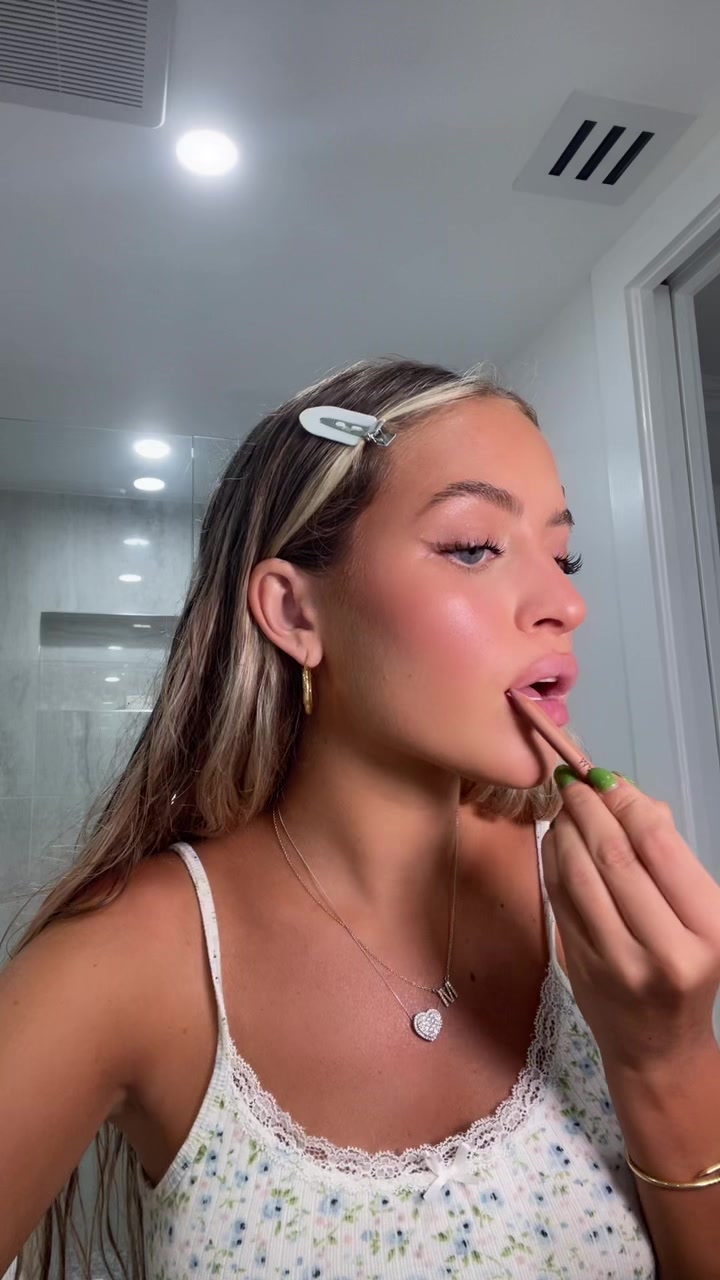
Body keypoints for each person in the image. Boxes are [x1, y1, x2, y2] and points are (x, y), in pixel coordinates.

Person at [1, 357, 718, 1280]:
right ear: (296, 613)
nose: (567, 604)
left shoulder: (593, 915)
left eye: (561, 554)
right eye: (474, 547)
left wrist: (669, 1060)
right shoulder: (128, 958)